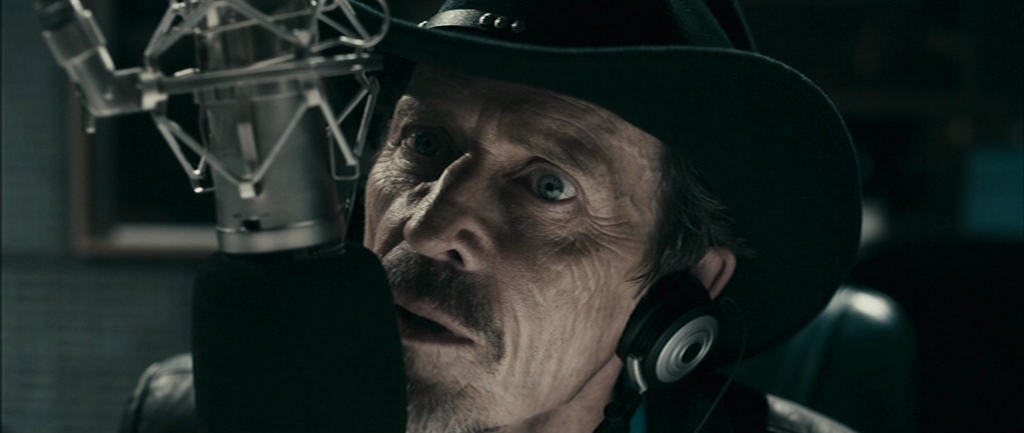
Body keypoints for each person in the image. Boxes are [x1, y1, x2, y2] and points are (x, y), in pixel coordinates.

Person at [118, 0, 863, 432]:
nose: (430, 228)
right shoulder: (188, 418)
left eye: (549, 187)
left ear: (678, 295)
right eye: (425, 144)